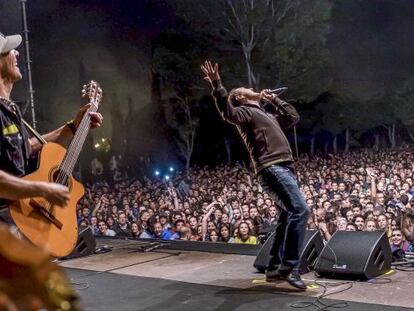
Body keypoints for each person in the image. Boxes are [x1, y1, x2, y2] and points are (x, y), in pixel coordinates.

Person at [202, 60, 309, 290]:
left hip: (283, 167)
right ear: (241, 97)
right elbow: (227, 112)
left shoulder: (267, 115)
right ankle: (290, 267)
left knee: (286, 215)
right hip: (272, 167)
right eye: (247, 89)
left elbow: (293, 117)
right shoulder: (245, 112)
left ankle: (273, 268)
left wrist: (274, 99)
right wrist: (217, 84)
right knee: (301, 210)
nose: (253, 89)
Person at [0, 32, 103, 224]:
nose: (17, 53)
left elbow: (23, 149)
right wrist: (42, 189)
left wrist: (73, 126)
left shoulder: (10, 109)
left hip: (20, 220)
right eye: (8, 50)